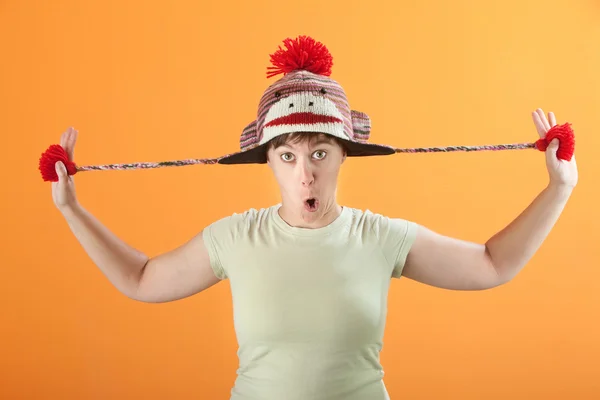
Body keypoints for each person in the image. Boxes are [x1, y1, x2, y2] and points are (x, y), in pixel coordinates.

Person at [50, 36, 577, 400]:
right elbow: (141, 280)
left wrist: (559, 187)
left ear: (345, 154)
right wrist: (71, 209)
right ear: (268, 162)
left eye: (320, 152)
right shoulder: (234, 237)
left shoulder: (380, 236)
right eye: (288, 156)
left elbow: (491, 265)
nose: (305, 173)